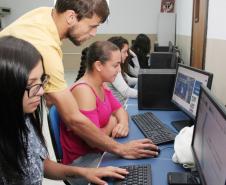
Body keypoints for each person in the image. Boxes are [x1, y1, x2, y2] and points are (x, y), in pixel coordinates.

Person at [0, 0, 158, 161]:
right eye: (92, 26)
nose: (94, 33)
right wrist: (121, 149)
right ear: (70, 17)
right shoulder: (46, 47)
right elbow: (73, 118)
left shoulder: (45, 15)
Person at [0, 36, 129, 185]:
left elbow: (40, 164)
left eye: (42, 80)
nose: (42, 91)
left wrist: (85, 172)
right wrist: (113, 122)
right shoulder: (84, 90)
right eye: (31, 83)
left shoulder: (26, 118)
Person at [61, 41, 130, 184]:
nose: (119, 70)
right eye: (115, 65)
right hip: (84, 161)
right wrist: (112, 122)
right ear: (98, 65)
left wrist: (123, 123)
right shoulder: (84, 91)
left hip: (98, 150)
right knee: (130, 170)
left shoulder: (101, 84)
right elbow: (93, 141)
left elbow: (119, 109)